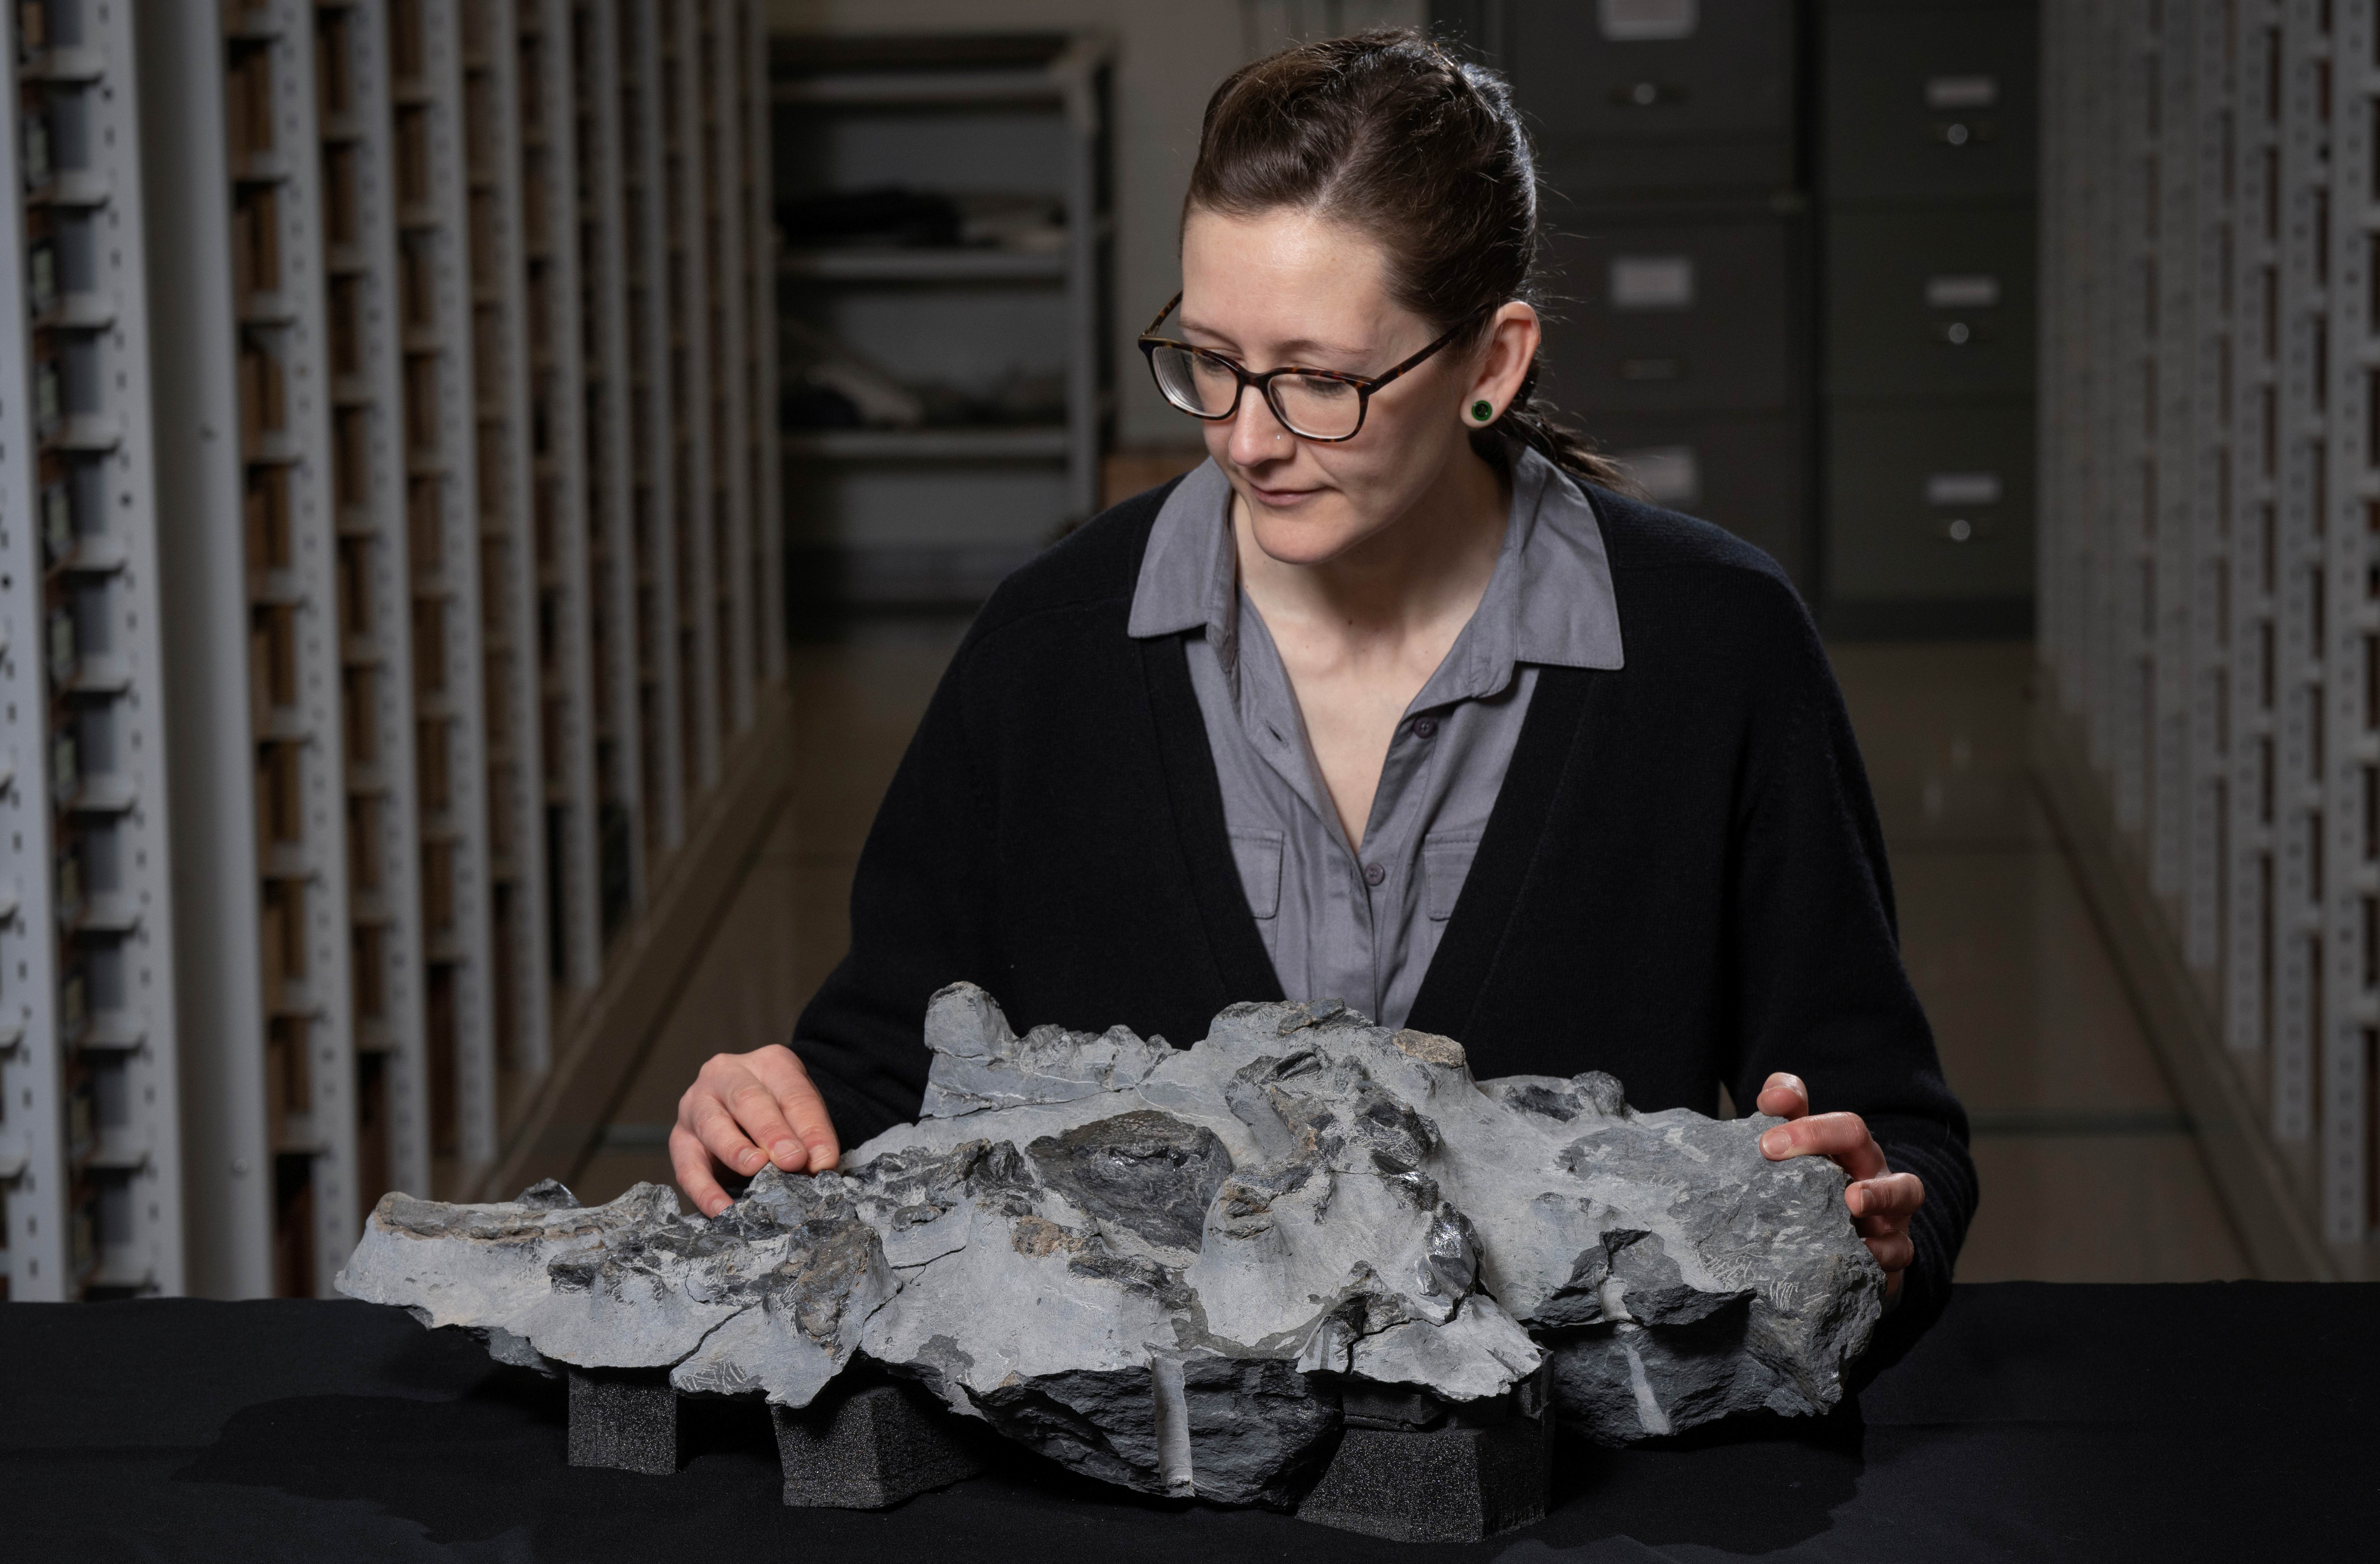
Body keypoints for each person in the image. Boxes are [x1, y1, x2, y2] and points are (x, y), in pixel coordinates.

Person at [674, 29, 1975, 1333]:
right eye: (1211, 359)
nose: (1247, 439)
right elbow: (883, 1072)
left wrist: (1879, 1228)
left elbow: (1892, 1132)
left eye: (1317, 381)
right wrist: (773, 1118)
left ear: (1492, 363)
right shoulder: (1047, 649)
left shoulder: (1715, 646)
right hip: (1158, 1446)